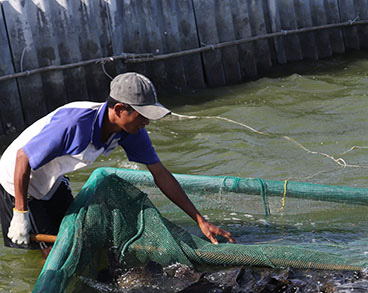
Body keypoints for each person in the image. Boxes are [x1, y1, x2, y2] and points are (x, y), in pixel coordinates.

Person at [0, 72, 234, 258]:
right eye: (143, 115)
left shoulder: (130, 130)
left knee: (75, 238)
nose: (147, 122)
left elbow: (160, 174)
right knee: (45, 253)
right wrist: (20, 213)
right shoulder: (74, 124)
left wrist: (200, 220)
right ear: (120, 109)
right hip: (18, 179)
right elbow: (23, 158)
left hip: (52, 178)